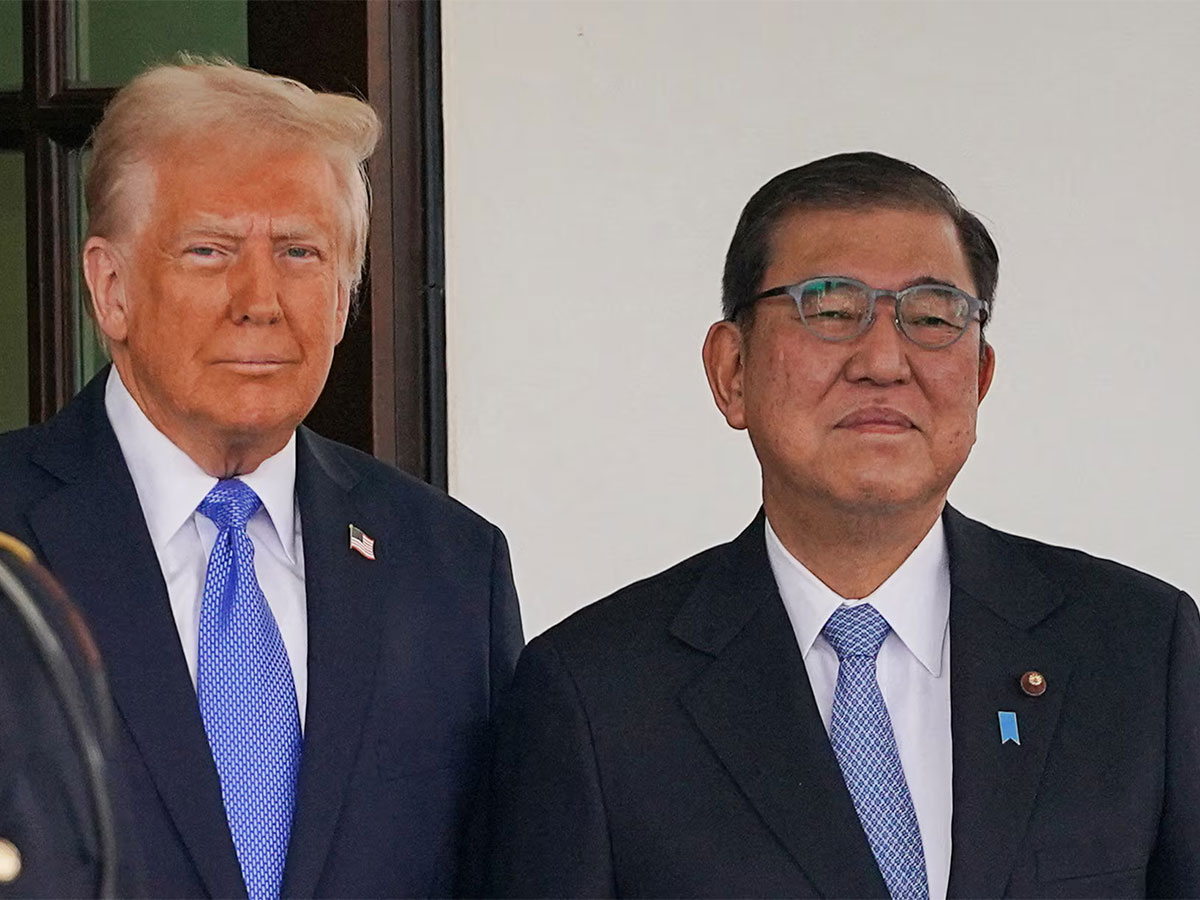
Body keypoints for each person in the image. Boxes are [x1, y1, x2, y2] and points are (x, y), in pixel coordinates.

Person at [485, 152, 1199, 898]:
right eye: (830, 310)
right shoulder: (597, 695)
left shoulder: (1138, 652)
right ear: (732, 372)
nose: (885, 361)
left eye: (930, 317)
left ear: (981, 377)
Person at [0, 59, 523, 899]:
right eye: (209, 251)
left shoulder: (452, 567)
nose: (260, 300)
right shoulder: (11, 539)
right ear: (112, 288)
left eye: (300, 252)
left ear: (347, 293)